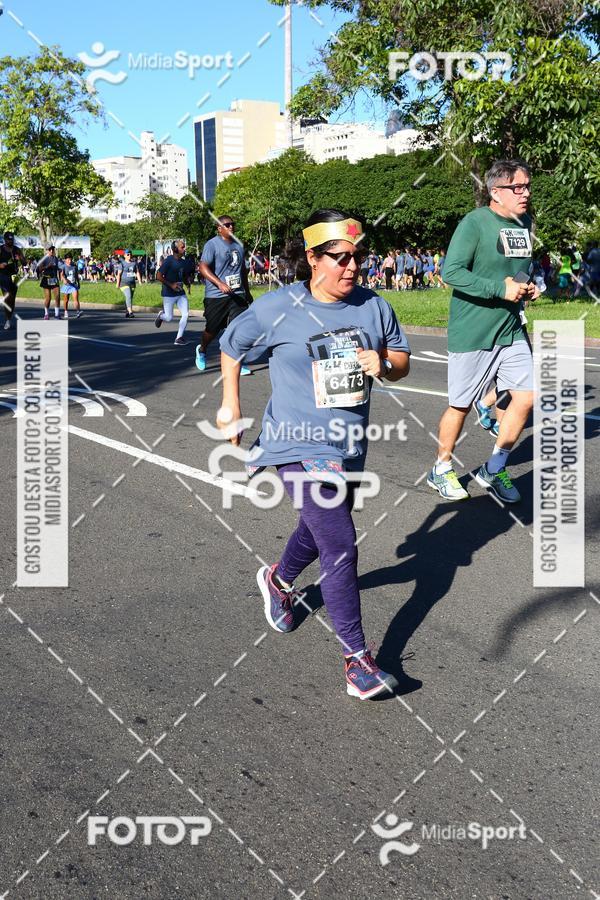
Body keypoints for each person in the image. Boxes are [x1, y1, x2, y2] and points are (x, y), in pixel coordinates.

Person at [218, 208, 411, 699]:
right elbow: (232, 345)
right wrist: (231, 402)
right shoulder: (277, 307)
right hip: (294, 441)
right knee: (340, 540)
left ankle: (279, 581)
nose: (352, 267)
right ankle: (357, 661)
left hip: (348, 446)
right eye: (340, 258)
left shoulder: (374, 306)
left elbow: (402, 361)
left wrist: (383, 364)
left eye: (359, 257)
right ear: (311, 257)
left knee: (319, 525)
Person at [427, 158, 539, 504]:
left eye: (527, 186)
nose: (525, 193)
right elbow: (452, 272)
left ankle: (494, 467)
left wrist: (528, 287)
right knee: (460, 406)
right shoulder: (475, 223)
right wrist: (498, 288)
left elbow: (517, 271)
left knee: (526, 396)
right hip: (473, 331)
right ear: (495, 191)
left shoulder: (525, 224)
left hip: (510, 329)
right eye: (516, 187)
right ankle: (441, 468)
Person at [196, 216, 253, 373]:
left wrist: (247, 291)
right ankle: (202, 350)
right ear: (219, 228)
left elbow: (242, 270)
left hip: (237, 294)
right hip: (216, 295)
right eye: (226, 225)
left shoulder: (239, 245)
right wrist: (220, 283)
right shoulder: (212, 244)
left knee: (238, 328)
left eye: (232, 224)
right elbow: (202, 267)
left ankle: (237, 361)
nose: (231, 227)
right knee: (212, 330)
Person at [155, 239, 189, 345]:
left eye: (184, 246)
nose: (185, 249)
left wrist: (187, 283)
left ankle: (179, 338)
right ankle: (161, 315)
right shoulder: (168, 261)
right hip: (168, 293)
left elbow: (182, 275)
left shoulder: (183, 262)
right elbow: (158, 276)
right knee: (169, 318)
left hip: (180, 292)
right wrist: (171, 285)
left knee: (186, 314)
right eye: (182, 247)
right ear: (175, 249)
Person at [0, 231, 26, 330]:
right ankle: (7, 320)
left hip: (14, 277)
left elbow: (24, 263)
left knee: (12, 299)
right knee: (7, 297)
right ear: (5, 240)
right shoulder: (1, 249)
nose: (11, 241)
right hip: (3, 276)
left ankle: (9, 318)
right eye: (9, 239)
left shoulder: (17, 250)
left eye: (12, 239)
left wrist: (20, 258)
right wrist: (0, 265)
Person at [115, 249, 141, 318]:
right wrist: (117, 283)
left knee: (130, 298)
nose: (129, 255)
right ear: (124, 256)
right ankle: (130, 312)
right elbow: (119, 274)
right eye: (128, 254)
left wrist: (140, 281)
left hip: (132, 283)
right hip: (124, 283)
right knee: (128, 296)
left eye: (130, 254)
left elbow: (137, 272)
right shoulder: (122, 264)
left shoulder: (134, 263)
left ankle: (127, 311)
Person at [38, 244, 61, 319]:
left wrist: (59, 270)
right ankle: (46, 314)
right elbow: (39, 269)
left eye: (52, 249)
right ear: (47, 250)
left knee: (57, 297)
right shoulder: (44, 259)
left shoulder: (56, 258)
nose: (51, 251)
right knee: (48, 298)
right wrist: (47, 266)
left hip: (54, 279)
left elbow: (57, 267)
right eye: (50, 249)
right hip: (46, 279)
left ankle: (57, 314)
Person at [60, 253, 82, 319]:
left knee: (76, 299)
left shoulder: (74, 266)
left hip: (73, 285)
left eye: (70, 259)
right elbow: (61, 275)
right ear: (65, 260)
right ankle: (66, 311)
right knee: (66, 300)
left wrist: (78, 282)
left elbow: (76, 275)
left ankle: (78, 312)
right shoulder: (63, 266)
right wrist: (64, 279)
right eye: (68, 259)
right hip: (66, 285)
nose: (69, 261)